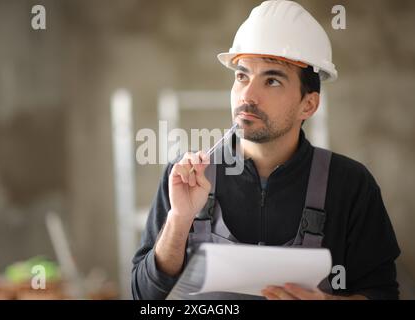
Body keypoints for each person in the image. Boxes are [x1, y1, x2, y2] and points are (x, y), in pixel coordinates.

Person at [131, 0, 400, 300]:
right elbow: (144, 297)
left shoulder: (350, 185)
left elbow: (383, 293)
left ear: (308, 104)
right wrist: (179, 221)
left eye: (271, 80)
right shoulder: (186, 176)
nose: (248, 94)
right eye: (242, 76)